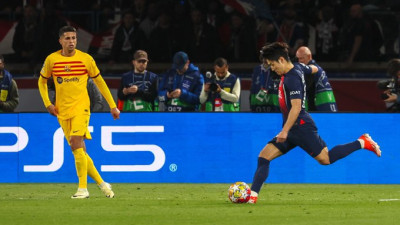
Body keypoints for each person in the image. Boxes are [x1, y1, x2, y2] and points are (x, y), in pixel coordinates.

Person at [248, 42, 381, 204]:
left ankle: (362, 142)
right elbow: (315, 69)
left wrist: (284, 131)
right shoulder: (298, 67)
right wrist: (315, 71)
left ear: (282, 60)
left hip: (301, 126)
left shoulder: (292, 78)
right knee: (264, 156)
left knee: (326, 159)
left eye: (273, 64)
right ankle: (252, 197)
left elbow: (296, 108)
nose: (272, 68)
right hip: (291, 128)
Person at [38, 26, 120, 199]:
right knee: (80, 150)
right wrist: (47, 104)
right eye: (67, 38)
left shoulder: (86, 59)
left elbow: (100, 82)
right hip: (62, 111)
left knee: (76, 143)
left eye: (74, 38)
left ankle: (83, 189)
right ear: (60, 41)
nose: (71, 41)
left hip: (81, 108)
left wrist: (112, 105)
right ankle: (102, 184)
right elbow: (42, 82)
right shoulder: (52, 59)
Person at [296, 46, 337, 112]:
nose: (299, 61)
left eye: (301, 58)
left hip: (320, 107)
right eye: (298, 59)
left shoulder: (311, 70)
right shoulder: (318, 68)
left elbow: (305, 89)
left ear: (309, 56)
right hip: (329, 104)